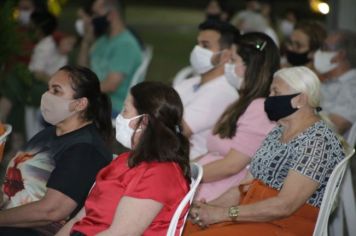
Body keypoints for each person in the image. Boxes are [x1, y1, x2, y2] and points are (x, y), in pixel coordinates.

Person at [183, 66, 345, 236]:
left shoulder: (318, 142)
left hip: (286, 225)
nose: (269, 99)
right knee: (183, 229)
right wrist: (208, 209)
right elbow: (244, 187)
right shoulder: (278, 130)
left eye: (276, 92)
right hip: (256, 216)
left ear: (300, 100)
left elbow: (285, 206)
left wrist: (222, 214)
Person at [56, 81, 191, 236]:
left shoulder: (160, 175)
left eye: (126, 110)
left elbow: (121, 233)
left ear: (144, 121)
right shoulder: (125, 160)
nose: (120, 116)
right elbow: (81, 218)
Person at [0, 65, 113, 235]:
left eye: (56, 91)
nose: (46, 96)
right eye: (48, 89)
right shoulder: (51, 133)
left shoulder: (86, 149)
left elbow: (52, 210)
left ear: (80, 104)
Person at [194, 32, 279, 202]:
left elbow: (231, 166)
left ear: (250, 67)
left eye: (233, 60)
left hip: (218, 195)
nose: (227, 65)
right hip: (206, 184)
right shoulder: (243, 103)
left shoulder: (260, 109)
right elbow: (213, 152)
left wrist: (185, 173)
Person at [174, 20, 239, 160]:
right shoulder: (190, 83)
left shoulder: (223, 92)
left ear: (226, 55)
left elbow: (177, 130)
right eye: (198, 44)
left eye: (205, 45)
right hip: (171, 157)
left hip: (189, 167)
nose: (197, 50)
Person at [78, 0, 142, 115]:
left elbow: (111, 85)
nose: (93, 19)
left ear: (111, 15)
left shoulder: (125, 45)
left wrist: (79, 92)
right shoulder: (103, 40)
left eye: (96, 14)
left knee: (56, 115)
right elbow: (82, 72)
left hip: (112, 105)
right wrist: (86, 42)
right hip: (95, 99)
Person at [315, 30, 356, 135]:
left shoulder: (352, 87)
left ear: (341, 55)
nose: (319, 53)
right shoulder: (329, 81)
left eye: (325, 48)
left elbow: (335, 126)